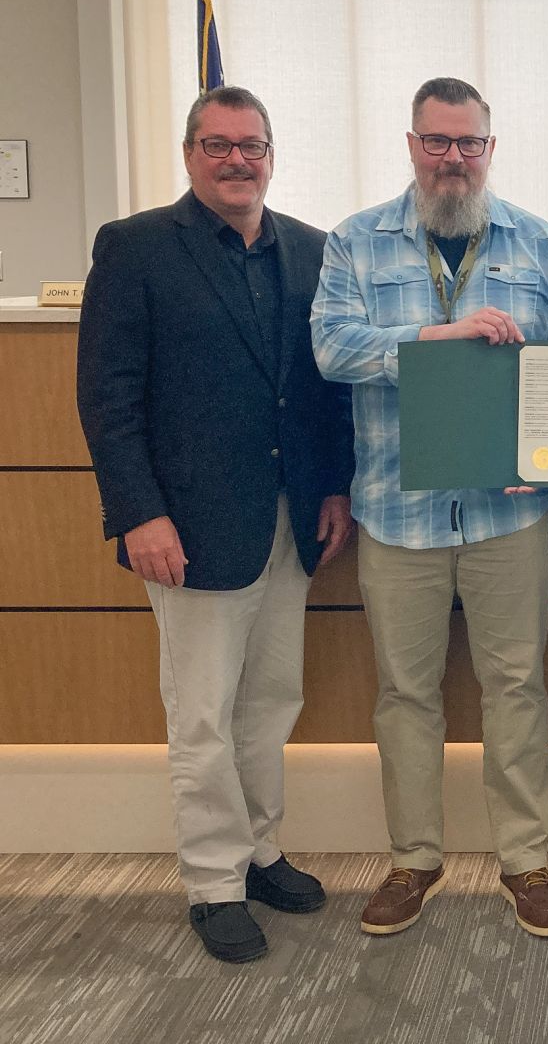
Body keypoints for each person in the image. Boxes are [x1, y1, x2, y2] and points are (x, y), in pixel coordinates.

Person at [76, 85, 355, 964]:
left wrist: (334, 486)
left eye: (253, 145)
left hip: (291, 518)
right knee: (200, 711)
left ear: (272, 154)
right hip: (186, 526)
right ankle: (212, 881)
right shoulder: (135, 249)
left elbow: (320, 390)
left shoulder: (310, 249)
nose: (238, 160)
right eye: (218, 144)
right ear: (190, 153)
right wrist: (138, 511)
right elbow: (108, 396)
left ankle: (260, 849)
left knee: (271, 701)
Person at [311, 77, 548, 938]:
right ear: (411, 145)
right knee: (404, 693)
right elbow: (330, 346)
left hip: (510, 514)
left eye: (468, 143)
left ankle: (525, 861)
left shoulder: (537, 242)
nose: (453, 159)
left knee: (516, 686)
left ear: (490, 149)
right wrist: (436, 340)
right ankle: (413, 859)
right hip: (398, 513)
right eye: (437, 142)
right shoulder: (355, 242)